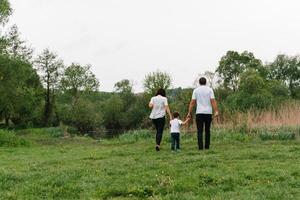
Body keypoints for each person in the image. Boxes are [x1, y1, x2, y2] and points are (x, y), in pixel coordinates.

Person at [187, 77, 219, 150]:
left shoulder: (196, 90)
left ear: (199, 82)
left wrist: (189, 112)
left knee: (199, 130)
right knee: (207, 130)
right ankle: (207, 146)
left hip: (199, 112)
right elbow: (213, 101)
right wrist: (216, 111)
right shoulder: (210, 90)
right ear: (206, 82)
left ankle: (200, 147)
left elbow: (192, 102)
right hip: (208, 113)